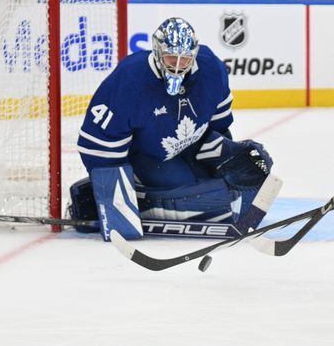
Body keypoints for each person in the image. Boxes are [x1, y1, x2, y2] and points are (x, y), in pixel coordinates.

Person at [71, 18, 280, 242]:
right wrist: (113, 198)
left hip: (191, 145)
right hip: (145, 156)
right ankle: (133, 197)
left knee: (239, 173)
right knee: (201, 198)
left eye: (185, 59)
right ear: (158, 52)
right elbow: (98, 145)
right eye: (172, 57)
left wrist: (227, 157)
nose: (178, 65)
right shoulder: (130, 79)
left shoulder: (211, 68)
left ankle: (178, 197)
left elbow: (219, 123)